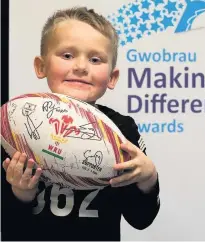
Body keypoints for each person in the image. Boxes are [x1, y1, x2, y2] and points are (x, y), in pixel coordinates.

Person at [1, 6, 160, 241]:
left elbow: (140, 219)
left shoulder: (121, 131)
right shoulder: (15, 126)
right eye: (67, 55)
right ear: (41, 66)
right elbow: (8, 224)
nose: (81, 67)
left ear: (112, 77)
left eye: (95, 59)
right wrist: (21, 193)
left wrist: (148, 179)